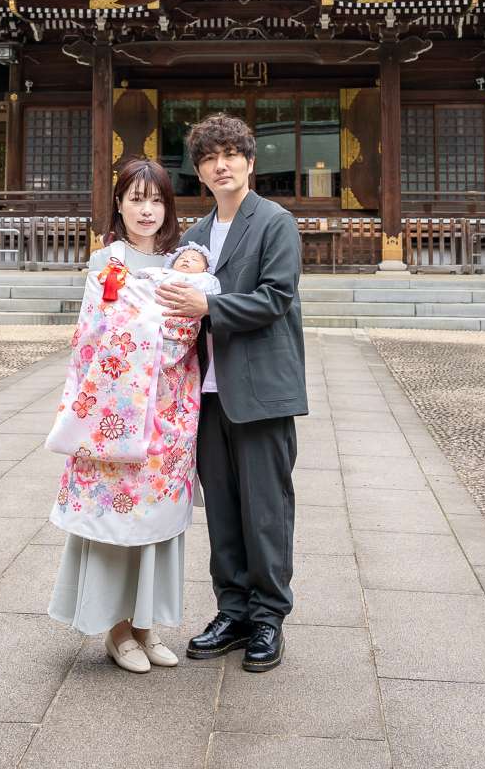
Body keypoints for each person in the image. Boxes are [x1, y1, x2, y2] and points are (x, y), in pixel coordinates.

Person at [155, 113, 308, 673]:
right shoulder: (193, 236)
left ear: (249, 161)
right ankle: (233, 610)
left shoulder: (275, 222)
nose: (221, 165)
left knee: (265, 509)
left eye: (230, 154)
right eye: (209, 157)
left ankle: (269, 617)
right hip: (206, 394)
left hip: (261, 389)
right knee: (221, 508)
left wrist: (209, 307)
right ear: (199, 170)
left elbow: (276, 297)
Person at [47, 157, 200, 675]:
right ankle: (115, 629)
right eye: (136, 198)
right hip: (116, 409)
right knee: (115, 519)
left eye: (156, 199)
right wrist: (155, 329)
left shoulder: (183, 264)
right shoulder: (105, 263)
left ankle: (145, 625)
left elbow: (191, 328)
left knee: (156, 522)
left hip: (169, 411)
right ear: (119, 203)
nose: (147, 209)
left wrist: (162, 328)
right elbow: (93, 337)